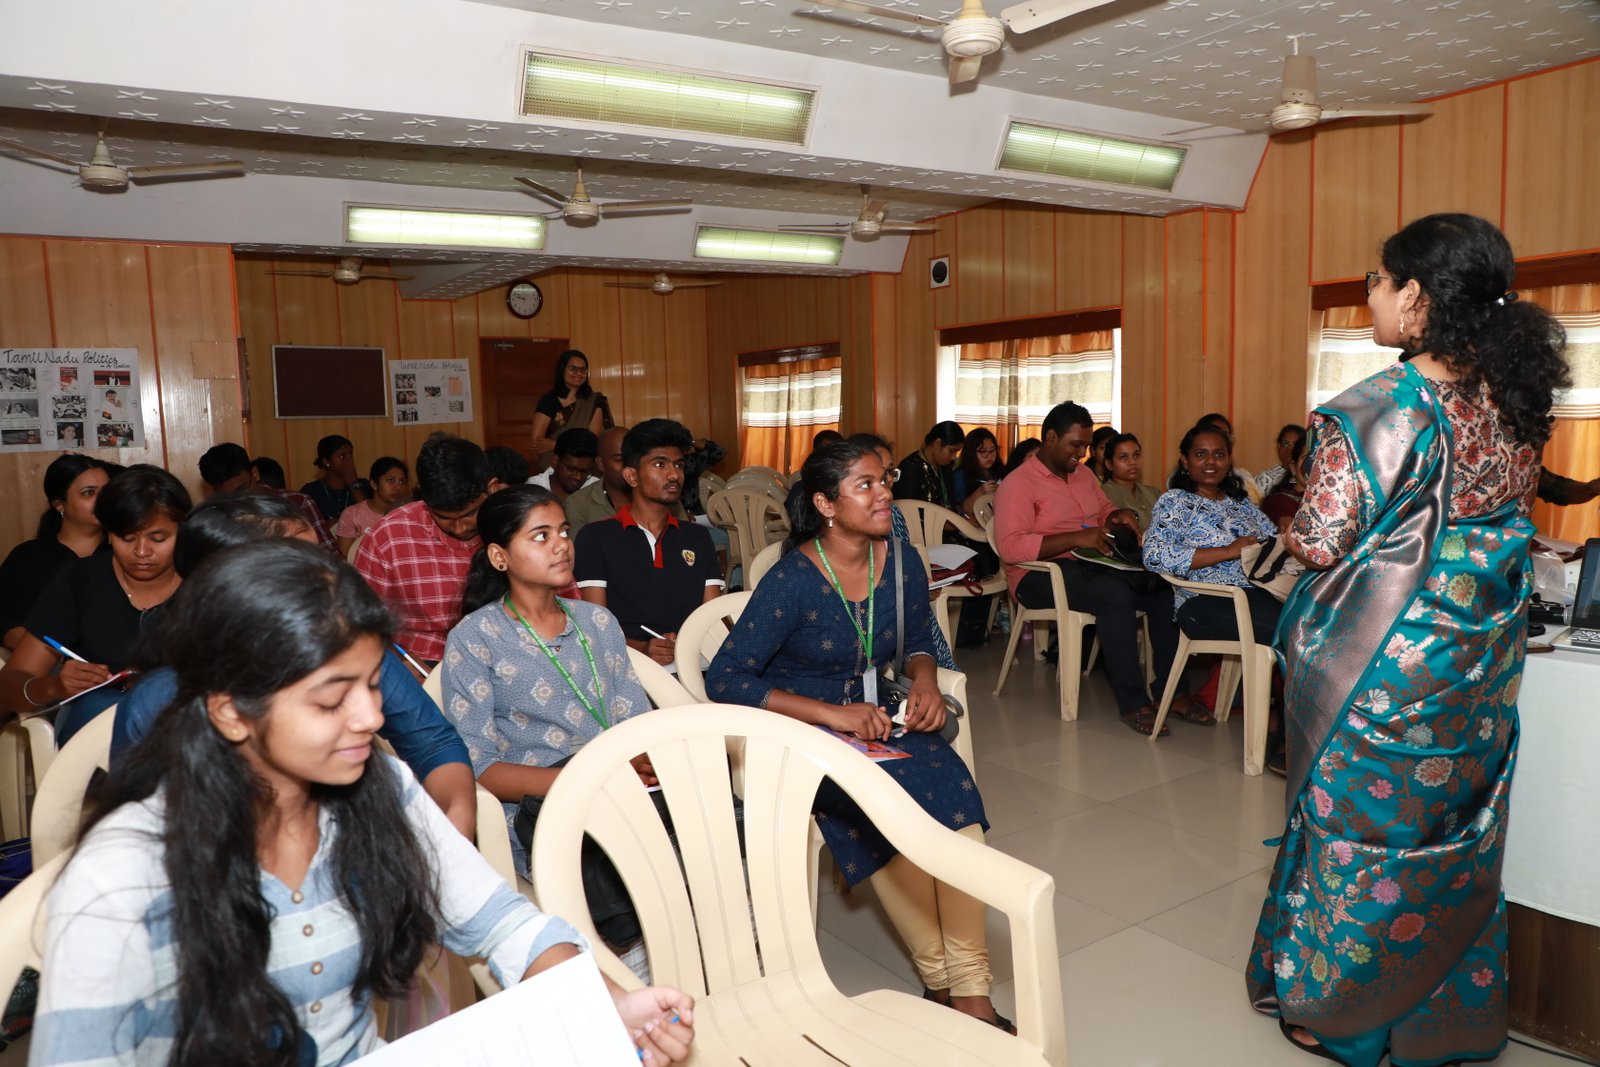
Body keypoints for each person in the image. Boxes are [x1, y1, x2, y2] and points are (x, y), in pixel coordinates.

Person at [32, 539, 695, 1067]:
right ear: (231, 710)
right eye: (331, 700)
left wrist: (605, 1005)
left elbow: (504, 925)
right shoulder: (123, 871)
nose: (372, 717)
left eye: (375, 685)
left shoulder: (377, 789)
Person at [1248, 213, 1569, 1067]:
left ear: (1417, 295)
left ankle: (1344, 1017)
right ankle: (1440, 1021)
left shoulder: (1382, 406)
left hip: (1384, 666)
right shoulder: (1512, 397)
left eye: (1379, 281)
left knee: (1359, 835)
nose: (1372, 296)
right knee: (1455, 831)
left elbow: (1320, 541)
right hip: (1481, 662)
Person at [706, 441, 1011, 1033]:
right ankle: (941, 980)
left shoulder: (901, 562)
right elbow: (725, 677)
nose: (884, 494)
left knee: (954, 798)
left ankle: (969, 987)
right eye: (865, 485)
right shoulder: (792, 580)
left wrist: (925, 682)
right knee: (881, 809)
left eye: (885, 480)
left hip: (878, 720)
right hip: (803, 734)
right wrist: (830, 714)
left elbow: (918, 639)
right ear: (825, 504)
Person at [111, 493, 478, 839]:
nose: (324, 576)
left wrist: (458, 818)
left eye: (319, 559)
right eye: (298, 567)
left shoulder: (356, 654)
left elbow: (432, 742)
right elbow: (147, 832)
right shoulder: (161, 698)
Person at [441, 485, 652, 881]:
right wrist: (589, 780)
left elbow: (635, 724)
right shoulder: (475, 637)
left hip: (622, 794)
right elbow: (477, 766)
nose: (561, 545)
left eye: (564, 532)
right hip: (544, 812)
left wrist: (642, 765)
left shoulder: (597, 621)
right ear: (499, 556)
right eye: (541, 536)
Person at [992, 401, 1202, 736]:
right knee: (1113, 595)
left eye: (1086, 446)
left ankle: (1172, 692)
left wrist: (1117, 515)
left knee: (1161, 588)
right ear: (1050, 438)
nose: (1082, 453)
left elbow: (1103, 509)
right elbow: (1011, 547)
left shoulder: (1083, 475)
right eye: (1075, 445)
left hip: (1091, 562)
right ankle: (1133, 703)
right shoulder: (1018, 483)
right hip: (1039, 575)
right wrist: (1077, 537)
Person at [0, 465, 190, 744]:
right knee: (101, 704)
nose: (141, 552)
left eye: (158, 539)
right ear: (109, 534)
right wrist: (54, 686)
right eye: (126, 538)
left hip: (185, 722)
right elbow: (9, 685)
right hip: (97, 725)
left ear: (183, 533)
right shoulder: (81, 580)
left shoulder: (206, 579)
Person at [1140, 424, 1280, 725]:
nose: (1211, 462)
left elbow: (1274, 541)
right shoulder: (1175, 502)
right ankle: (1281, 724)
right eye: (1201, 454)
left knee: (1311, 620)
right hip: (1204, 601)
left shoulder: (1241, 504)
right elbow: (1154, 555)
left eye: (1219, 454)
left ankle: (1289, 718)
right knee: (1292, 631)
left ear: (1229, 461)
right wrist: (1228, 551)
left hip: (1257, 593)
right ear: (1185, 460)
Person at [576, 419, 724, 668]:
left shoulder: (697, 537)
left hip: (695, 660)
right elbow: (595, 627)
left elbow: (711, 618)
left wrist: (687, 645)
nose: (673, 474)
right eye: (659, 464)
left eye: (678, 465)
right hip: (627, 663)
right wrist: (642, 649)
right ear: (632, 475)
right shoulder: (596, 537)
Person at [355, 433, 488, 665]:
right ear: (425, 500)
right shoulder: (388, 537)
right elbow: (361, 623)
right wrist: (400, 667)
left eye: (470, 514)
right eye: (444, 517)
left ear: (491, 488)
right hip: (421, 661)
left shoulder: (516, 525)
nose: (459, 528)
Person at [847, 433, 959, 670]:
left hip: (903, 623)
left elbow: (900, 573)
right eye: (871, 479)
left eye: (889, 473)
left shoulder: (894, 515)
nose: (886, 485)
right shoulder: (819, 550)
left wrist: (919, 586)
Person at [0, 454, 114, 652]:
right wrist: (59, 658)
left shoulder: (125, 552)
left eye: (107, 491)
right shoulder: (29, 556)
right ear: (59, 504)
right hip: (51, 662)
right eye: (88, 493)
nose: (103, 501)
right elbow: (7, 623)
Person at [200, 442, 337, 553]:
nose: (239, 500)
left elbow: (331, 556)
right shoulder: (217, 518)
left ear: (255, 474)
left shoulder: (298, 503)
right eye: (228, 497)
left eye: (243, 489)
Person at [566, 425, 689, 535]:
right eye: (620, 459)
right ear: (600, 463)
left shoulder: (662, 496)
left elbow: (685, 543)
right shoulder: (578, 504)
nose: (629, 465)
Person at [529, 349, 613, 470]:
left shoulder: (593, 402)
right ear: (562, 370)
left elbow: (591, 442)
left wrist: (555, 444)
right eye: (573, 369)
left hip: (583, 467)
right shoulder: (548, 400)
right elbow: (537, 443)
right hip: (552, 466)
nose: (578, 373)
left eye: (583, 370)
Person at [333, 455, 411, 556]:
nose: (398, 487)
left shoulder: (409, 514)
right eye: (391, 480)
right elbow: (345, 557)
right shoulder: (352, 514)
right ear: (374, 484)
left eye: (402, 482)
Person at [299, 433, 369, 524]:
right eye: (342, 456)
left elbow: (369, 518)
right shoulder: (311, 491)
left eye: (350, 455)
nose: (348, 460)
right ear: (326, 461)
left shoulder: (364, 485)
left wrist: (353, 483)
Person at [1099, 432, 1162, 532]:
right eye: (1124, 457)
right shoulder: (1103, 495)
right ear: (1109, 464)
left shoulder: (1154, 493)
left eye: (1136, 455)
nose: (1132, 462)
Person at [893, 421, 963, 510]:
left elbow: (951, 502)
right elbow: (905, 509)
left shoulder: (945, 467)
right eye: (951, 451)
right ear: (937, 444)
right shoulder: (910, 468)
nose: (953, 457)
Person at [527, 427, 598, 505]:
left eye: (585, 471)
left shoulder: (597, 489)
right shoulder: (533, 490)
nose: (578, 477)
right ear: (555, 461)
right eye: (571, 469)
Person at [1259, 427, 1308, 529]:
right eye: (1306, 458)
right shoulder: (1276, 503)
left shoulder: (1328, 501)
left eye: (1319, 459)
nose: (1313, 464)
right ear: (1293, 467)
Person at [951, 428, 1001, 521]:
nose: (989, 455)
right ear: (971, 453)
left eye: (992, 450)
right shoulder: (960, 476)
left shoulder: (1000, 471)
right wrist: (980, 492)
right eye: (983, 451)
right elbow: (962, 510)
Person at [1253, 423, 1307, 498]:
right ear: (1278, 447)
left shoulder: (1310, 476)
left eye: (1295, 444)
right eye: (1285, 443)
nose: (1290, 449)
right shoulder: (1265, 478)